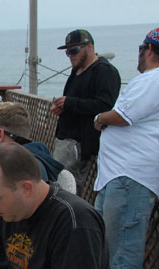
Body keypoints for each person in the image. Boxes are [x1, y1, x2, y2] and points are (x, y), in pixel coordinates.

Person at [93, 27, 159, 269]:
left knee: (121, 247)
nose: (139, 55)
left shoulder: (155, 79)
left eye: (141, 49)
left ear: (150, 49)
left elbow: (123, 116)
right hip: (121, 174)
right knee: (109, 242)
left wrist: (99, 117)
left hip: (130, 175)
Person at [51, 29, 121, 196]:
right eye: (67, 51)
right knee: (57, 185)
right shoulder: (76, 71)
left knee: (69, 192)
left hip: (81, 145)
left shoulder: (104, 71)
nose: (70, 55)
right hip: (65, 140)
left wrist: (70, 102)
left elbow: (105, 105)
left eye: (74, 50)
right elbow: (76, 103)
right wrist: (63, 107)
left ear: (89, 46)